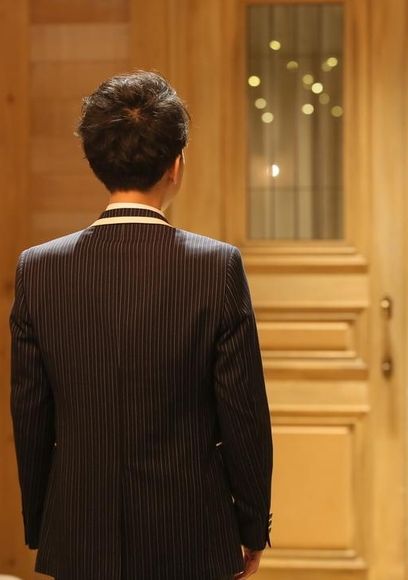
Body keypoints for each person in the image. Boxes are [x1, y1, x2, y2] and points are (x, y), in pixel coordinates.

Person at [10, 71, 273, 580]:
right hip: (192, 533)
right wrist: (250, 526)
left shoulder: (38, 269)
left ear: (95, 160)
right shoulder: (216, 266)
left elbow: (31, 416)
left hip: (79, 532)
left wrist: (44, 524)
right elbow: (243, 415)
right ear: (176, 165)